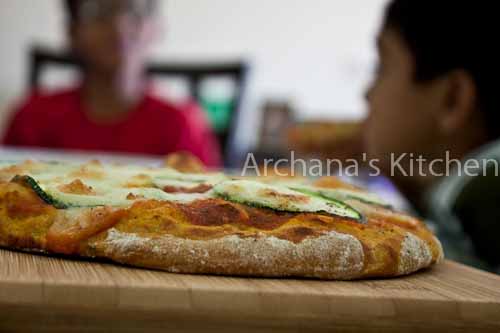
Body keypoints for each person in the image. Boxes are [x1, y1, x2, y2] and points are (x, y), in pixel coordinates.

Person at [364, 0, 500, 272]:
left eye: (382, 67)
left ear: (453, 99)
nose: (367, 94)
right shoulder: (467, 196)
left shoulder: (489, 192)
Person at [3, 0, 221, 167]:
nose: (119, 27)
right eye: (99, 12)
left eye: (135, 11)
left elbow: (206, 199)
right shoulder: (33, 116)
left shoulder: (181, 123)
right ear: (72, 31)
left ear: (157, 28)